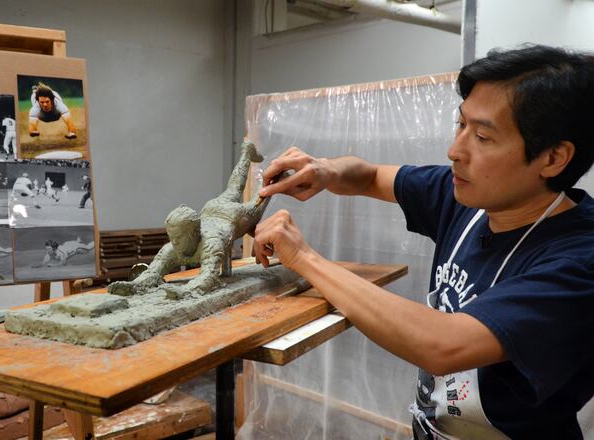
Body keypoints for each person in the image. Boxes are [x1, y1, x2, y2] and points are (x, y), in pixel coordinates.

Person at [252, 45, 593, 439]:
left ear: (553, 159)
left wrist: (306, 258)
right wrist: (324, 170)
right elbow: (367, 175)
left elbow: (443, 346)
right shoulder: (467, 198)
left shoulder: (579, 259)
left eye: (482, 136)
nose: (455, 151)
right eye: (460, 125)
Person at [108, 141, 268, 299]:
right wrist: (133, 286)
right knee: (233, 187)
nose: (173, 242)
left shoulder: (211, 243)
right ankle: (247, 152)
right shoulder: (172, 248)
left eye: (178, 238)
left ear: (193, 234)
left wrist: (185, 290)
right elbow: (152, 273)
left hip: (235, 216)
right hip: (211, 210)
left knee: (261, 196)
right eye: (171, 237)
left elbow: (208, 278)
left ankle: (272, 175)